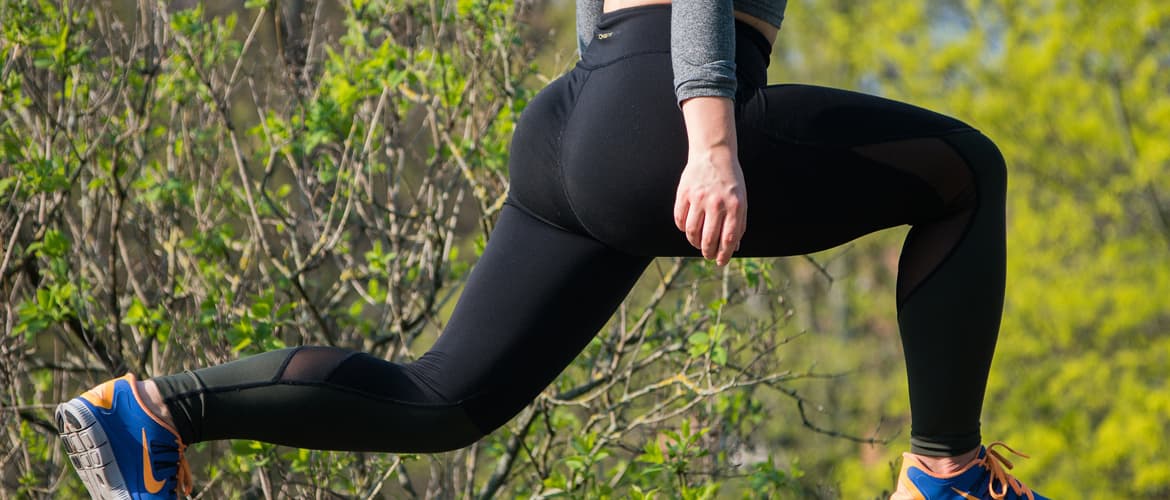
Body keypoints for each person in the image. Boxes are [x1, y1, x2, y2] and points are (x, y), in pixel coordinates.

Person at [55, 0, 1048, 498]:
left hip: (579, 116)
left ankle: (154, 412)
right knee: (965, 173)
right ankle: (947, 473)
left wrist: (630, 124)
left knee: (443, 398)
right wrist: (709, 141)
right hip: (661, 111)